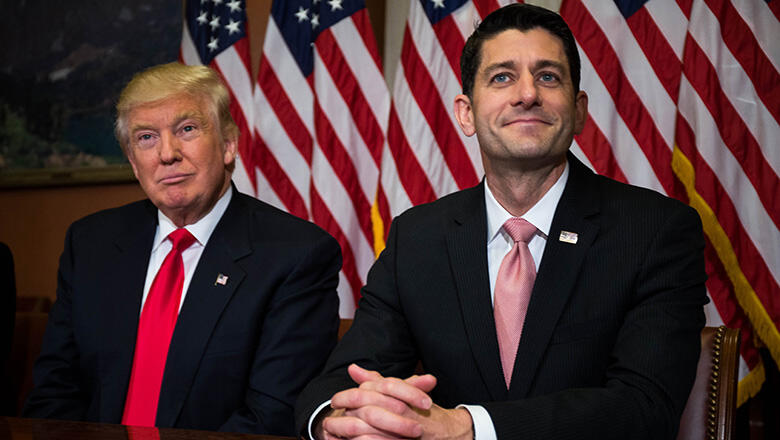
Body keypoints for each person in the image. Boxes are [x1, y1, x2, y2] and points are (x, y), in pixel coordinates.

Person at [295, 4, 707, 439]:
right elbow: (340, 382)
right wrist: (343, 422)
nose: (527, 93)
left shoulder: (656, 231)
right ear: (466, 113)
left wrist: (468, 428)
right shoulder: (418, 238)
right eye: (502, 77)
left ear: (580, 109)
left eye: (548, 76)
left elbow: (645, 407)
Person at [24, 62, 342, 436]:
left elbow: (271, 414)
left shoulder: (296, 254)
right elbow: (54, 394)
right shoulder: (90, 243)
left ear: (228, 145)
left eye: (186, 129)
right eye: (146, 138)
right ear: (132, 161)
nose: (167, 153)